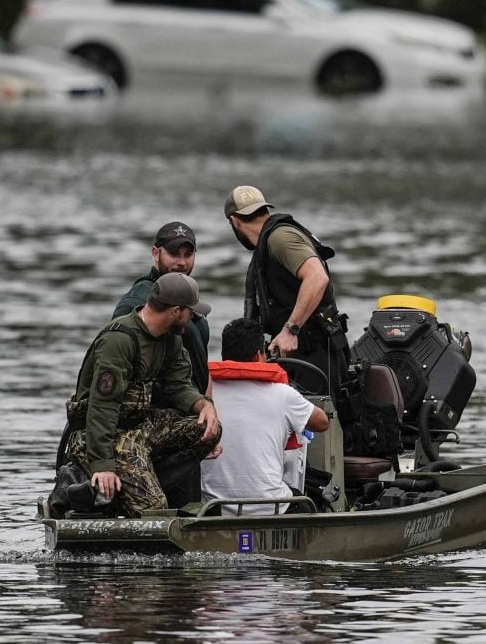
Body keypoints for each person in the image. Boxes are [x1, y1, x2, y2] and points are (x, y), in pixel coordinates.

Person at [63, 273, 221, 518]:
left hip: (140, 429)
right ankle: (83, 492)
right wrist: (102, 465)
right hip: (101, 436)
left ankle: (140, 483)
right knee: (154, 511)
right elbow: (102, 407)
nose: (194, 318)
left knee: (207, 429)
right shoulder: (120, 340)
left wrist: (204, 405)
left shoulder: (171, 339)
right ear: (176, 311)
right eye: (191, 312)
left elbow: (178, 385)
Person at [223, 184, 351, 395]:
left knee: (316, 424)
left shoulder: (280, 238)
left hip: (316, 351)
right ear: (264, 210)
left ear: (234, 221)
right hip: (299, 352)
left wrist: (290, 329)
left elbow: (317, 278)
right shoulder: (268, 243)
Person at [201, 318, 329, 515]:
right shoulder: (282, 394)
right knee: (311, 499)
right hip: (271, 506)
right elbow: (322, 422)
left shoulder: (203, 394)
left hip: (214, 509)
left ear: (224, 355)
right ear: (258, 355)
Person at [113, 221, 211, 397]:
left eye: (188, 255)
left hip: (193, 408)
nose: (182, 262)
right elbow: (117, 370)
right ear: (155, 253)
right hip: (158, 416)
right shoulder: (135, 303)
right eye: (174, 254)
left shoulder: (191, 300)